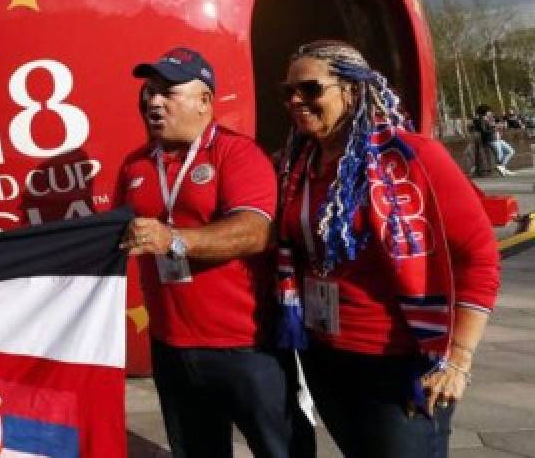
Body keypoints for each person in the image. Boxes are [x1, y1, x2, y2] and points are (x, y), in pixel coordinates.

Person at [276, 40, 500, 457]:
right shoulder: (297, 164)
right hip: (326, 356)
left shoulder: (413, 157)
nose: (295, 101)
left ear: (353, 91)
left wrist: (459, 360)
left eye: (310, 89)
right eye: (286, 91)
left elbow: (479, 256)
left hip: (399, 361)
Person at [118, 47, 309, 458]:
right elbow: (116, 236)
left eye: (168, 91)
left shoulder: (237, 154)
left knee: (283, 450)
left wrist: (174, 239)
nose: (153, 100)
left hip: (245, 347)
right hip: (171, 348)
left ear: (204, 100)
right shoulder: (134, 165)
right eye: (149, 91)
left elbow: (256, 232)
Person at [475, 105, 515, 176]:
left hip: (497, 138)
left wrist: (498, 126)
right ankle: (503, 169)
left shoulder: (489, 119)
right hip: (491, 140)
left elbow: (495, 124)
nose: (490, 112)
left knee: (510, 151)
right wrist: (495, 128)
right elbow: (484, 131)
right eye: (489, 111)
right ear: (485, 112)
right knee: (499, 155)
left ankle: (502, 167)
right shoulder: (480, 120)